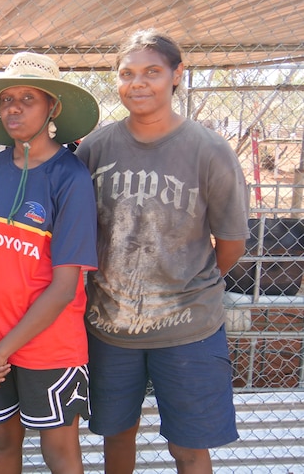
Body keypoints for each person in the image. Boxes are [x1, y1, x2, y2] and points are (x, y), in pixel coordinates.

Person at [75, 29, 249, 473]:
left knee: (189, 448)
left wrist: (188, 284)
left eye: (152, 72)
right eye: (127, 73)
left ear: (176, 75)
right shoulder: (95, 149)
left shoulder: (209, 150)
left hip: (190, 328)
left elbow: (231, 243)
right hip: (110, 327)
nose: (139, 83)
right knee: (117, 438)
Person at [0, 52, 100, 473]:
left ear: (52, 107)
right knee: (4, 443)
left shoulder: (69, 177)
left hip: (49, 346)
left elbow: (64, 285)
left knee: (59, 451)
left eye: (27, 98)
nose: (13, 108)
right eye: (5, 99)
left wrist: (2, 351)